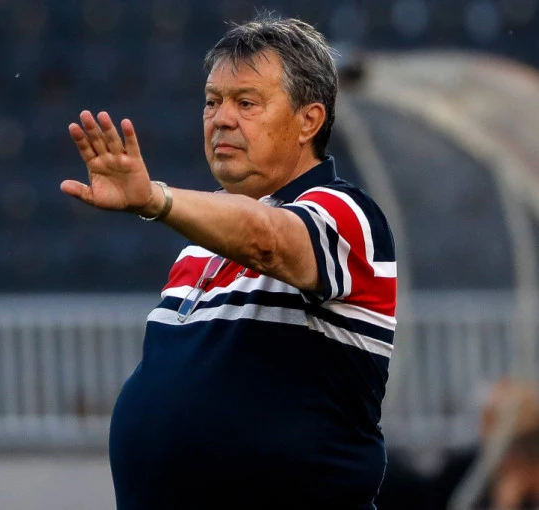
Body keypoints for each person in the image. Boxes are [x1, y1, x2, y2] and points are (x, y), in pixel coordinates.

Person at [61, 15, 397, 510]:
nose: (221, 118)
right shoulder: (199, 241)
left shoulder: (346, 212)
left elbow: (268, 240)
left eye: (246, 103)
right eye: (212, 101)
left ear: (309, 121)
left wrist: (155, 199)